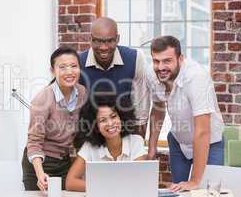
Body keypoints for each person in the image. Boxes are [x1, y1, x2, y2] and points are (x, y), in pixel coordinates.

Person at [79, 17, 164, 159]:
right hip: (92, 142)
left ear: (117, 39)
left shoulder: (135, 58)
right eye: (98, 41)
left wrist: (136, 150)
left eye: (109, 41)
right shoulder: (78, 63)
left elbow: (141, 113)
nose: (104, 47)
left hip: (126, 138)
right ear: (90, 39)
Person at [147, 36, 224, 192]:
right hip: (178, 141)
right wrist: (152, 146)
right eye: (156, 61)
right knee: (179, 191)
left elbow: (202, 131)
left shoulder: (196, 77)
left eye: (167, 61)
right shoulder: (153, 73)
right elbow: (158, 108)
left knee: (206, 192)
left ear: (180, 59)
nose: (160, 67)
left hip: (209, 143)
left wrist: (195, 180)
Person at [22, 46, 87, 191]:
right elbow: (34, 143)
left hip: (64, 163)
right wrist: (40, 174)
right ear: (52, 71)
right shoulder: (42, 99)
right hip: (38, 165)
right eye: (62, 67)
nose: (69, 72)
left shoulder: (82, 93)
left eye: (73, 66)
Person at [65, 95, 147, 192]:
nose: (110, 123)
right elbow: (70, 183)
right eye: (103, 120)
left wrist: (105, 187)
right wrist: (107, 187)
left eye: (113, 116)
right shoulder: (89, 147)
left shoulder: (135, 142)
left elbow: (140, 181)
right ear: (95, 126)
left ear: (121, 117)